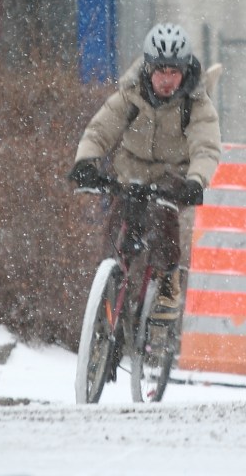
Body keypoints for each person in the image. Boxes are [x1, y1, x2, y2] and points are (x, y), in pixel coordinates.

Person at [69, 23, 221, 322]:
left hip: (173, 176)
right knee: (117, 224)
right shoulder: (130, 94)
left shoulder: (196, 103)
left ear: (185, 71)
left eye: (174, 72)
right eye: (160, 71)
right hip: (132, 172)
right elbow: (99, 131)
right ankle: (110, 284)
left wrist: (196, 180)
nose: (167, 80)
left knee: (163, 215)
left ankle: (168, 281)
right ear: (148, 68)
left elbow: (206, 148)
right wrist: (86, 162)